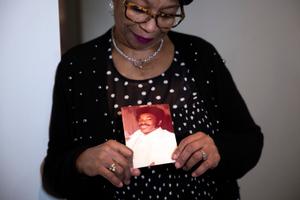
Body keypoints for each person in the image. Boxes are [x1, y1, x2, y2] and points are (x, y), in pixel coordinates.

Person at [42, 0, 264, 199]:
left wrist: (219, 150)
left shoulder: (200, 55)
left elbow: (250, 141)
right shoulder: (77, 65)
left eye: (166, 14)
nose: (151, 27)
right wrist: (80, 162)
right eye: (139, 9)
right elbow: (53, 173)